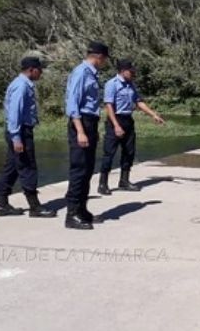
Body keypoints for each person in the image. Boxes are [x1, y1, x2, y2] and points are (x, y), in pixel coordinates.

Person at [0, 56, 56, 218]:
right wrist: (16, 138)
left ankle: (2, 204)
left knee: (12, 168)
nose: (41, 73)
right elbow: (15, 113)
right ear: (31, 70)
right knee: (28, 166)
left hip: (19, 130)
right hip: (20, 131)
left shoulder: (21, 84)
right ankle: (34, 207)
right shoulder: (21, 86)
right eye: (39, 70)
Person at [97, 59, 165, 195]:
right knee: (109, 154)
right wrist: (116, 126)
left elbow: (139, 102)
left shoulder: (131, 85)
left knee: (129, 152)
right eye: (131, 71)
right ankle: (103, 184)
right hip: (115, 120)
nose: (133, 74)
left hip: (128, 120)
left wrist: (153, 115)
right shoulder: (112, 84)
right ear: (122, 71)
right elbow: (108, 106)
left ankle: (124, 181)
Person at [63, 41, 109, 230]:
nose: (105, 63)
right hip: (80, 123)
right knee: (79, 170)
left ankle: (82, 209)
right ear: (99, 57)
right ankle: (72, 214)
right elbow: (73, 103)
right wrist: (80, 131)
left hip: (90, 122)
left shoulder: (92, 73)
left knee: (88, 169)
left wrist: (92, 129)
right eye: (105, 59)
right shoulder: (81, 72)